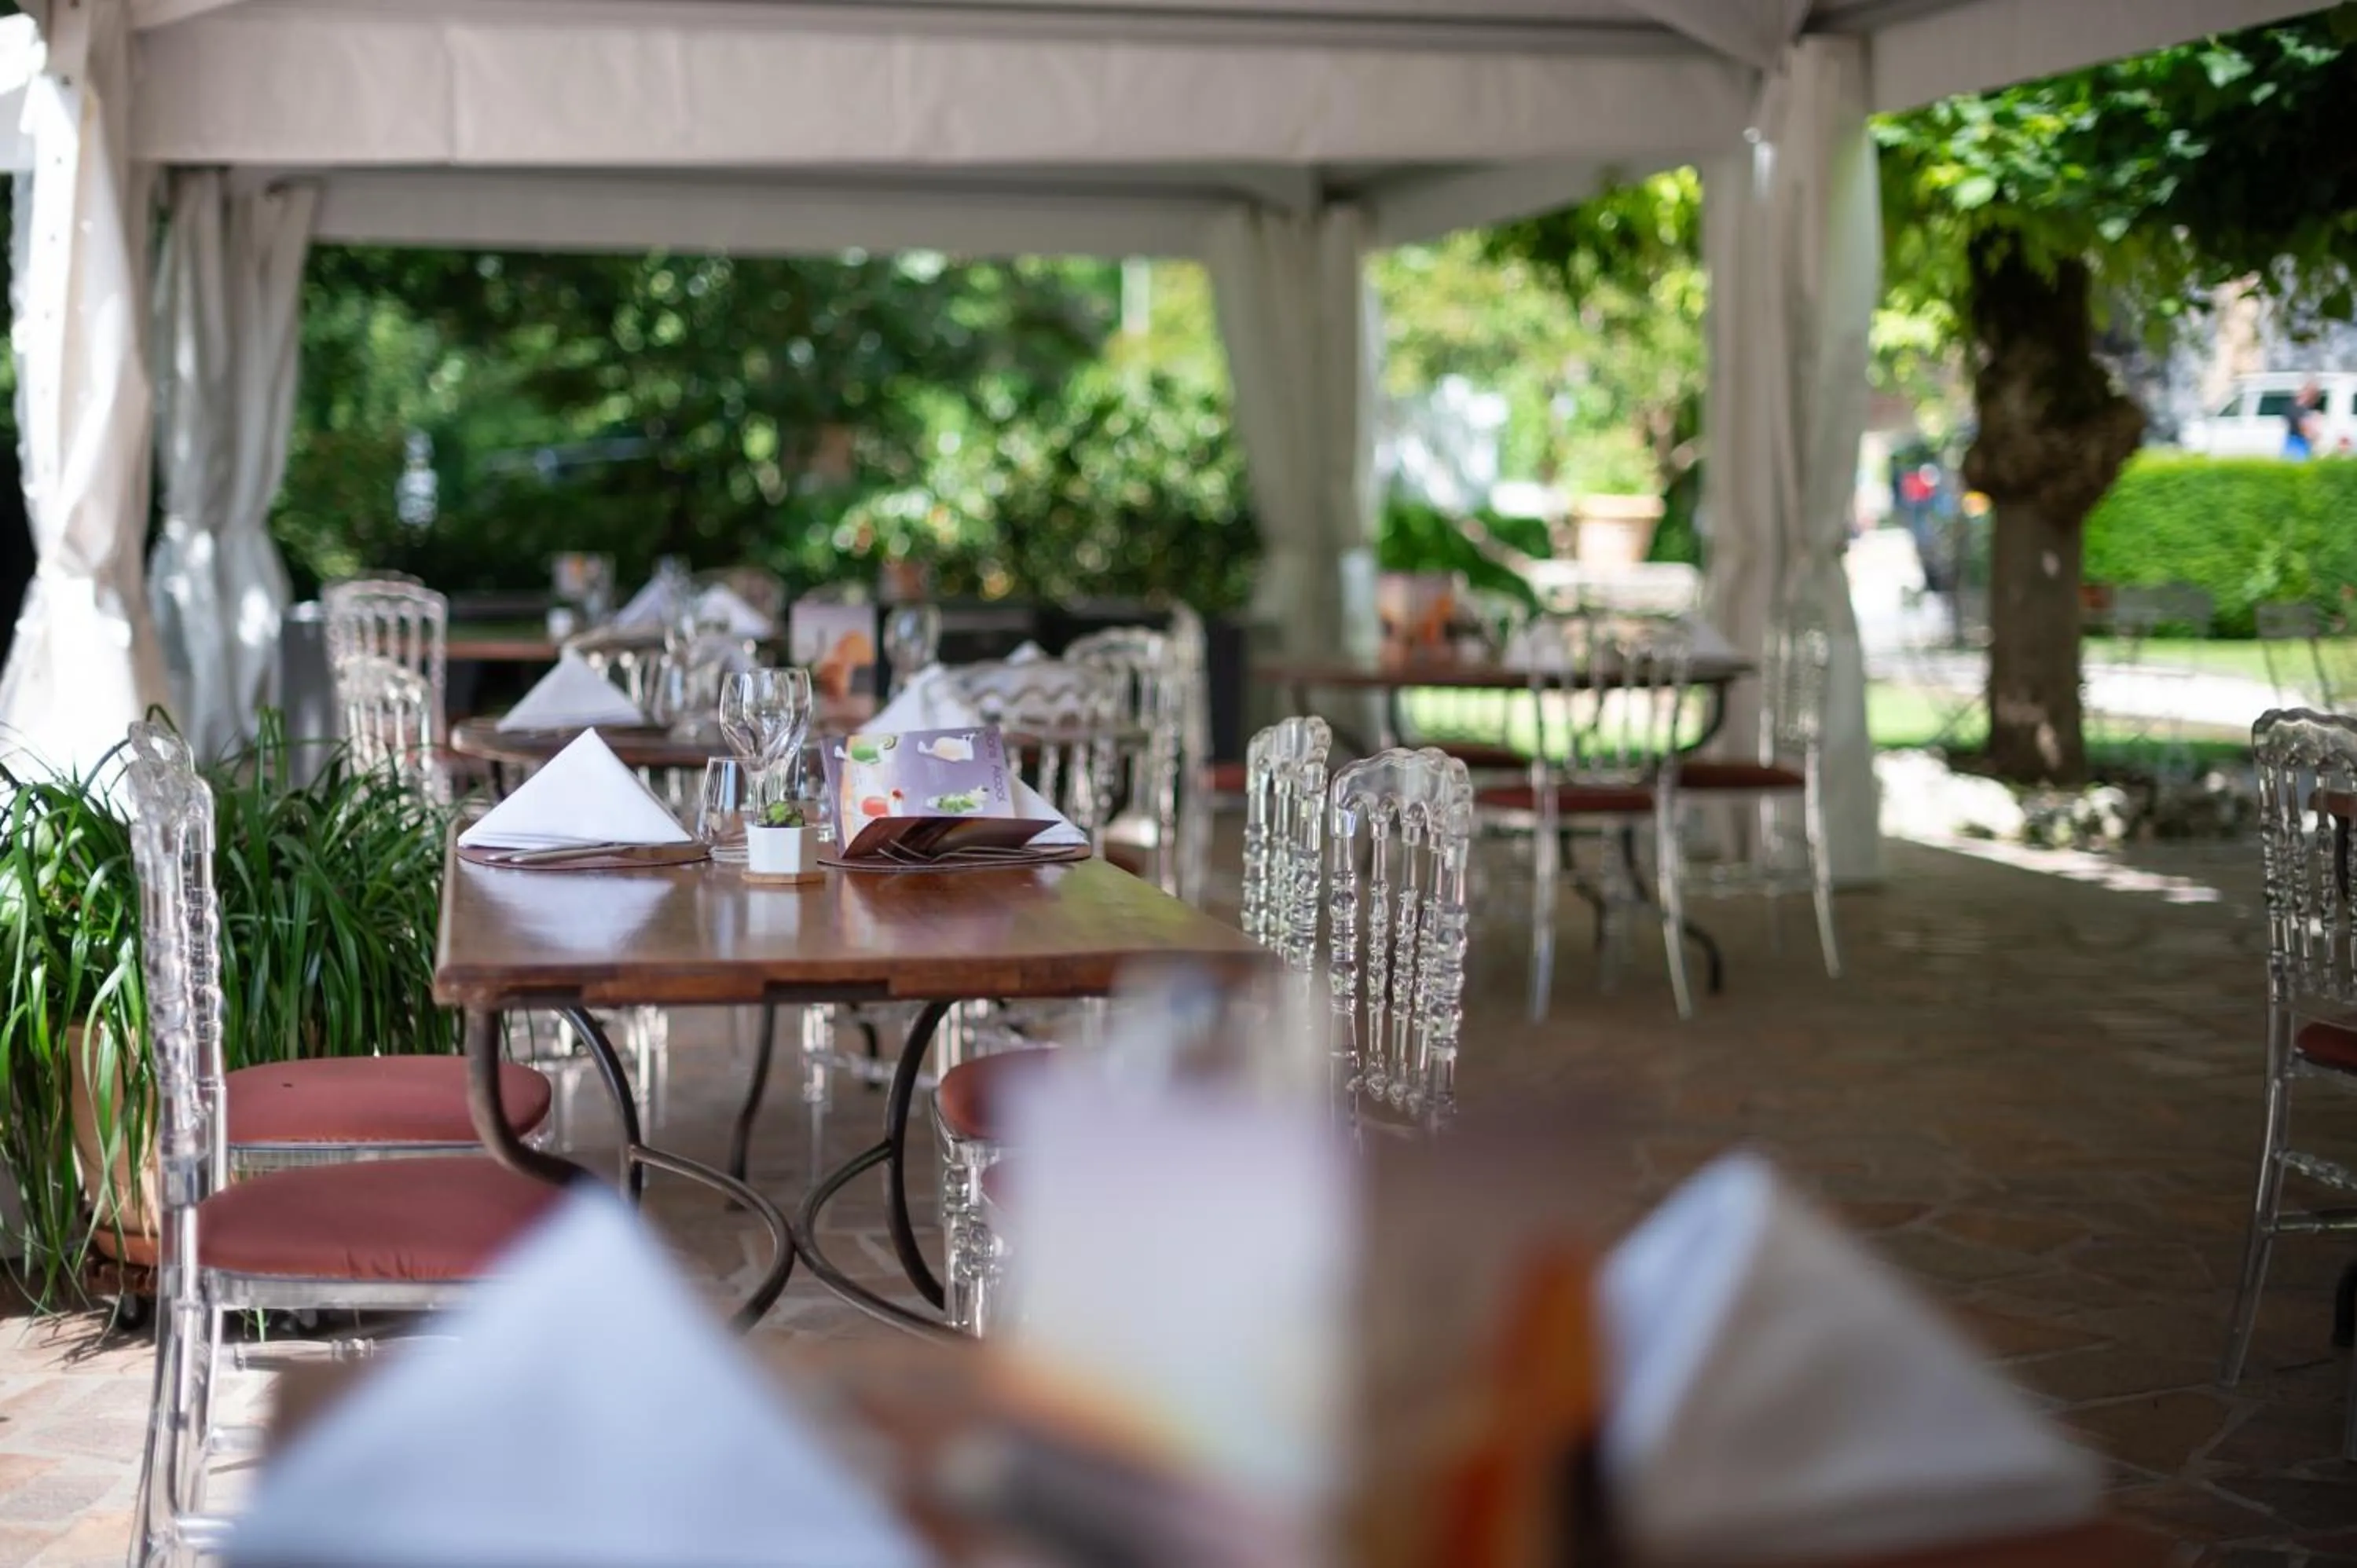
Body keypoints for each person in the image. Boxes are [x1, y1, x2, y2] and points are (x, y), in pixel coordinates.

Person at [2284, 379, 2326, 460]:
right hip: (2298, 444)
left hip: (2293, 442)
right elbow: (2305, 428)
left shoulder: (2292, 405)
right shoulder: (2300, 409)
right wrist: (2314, 435)